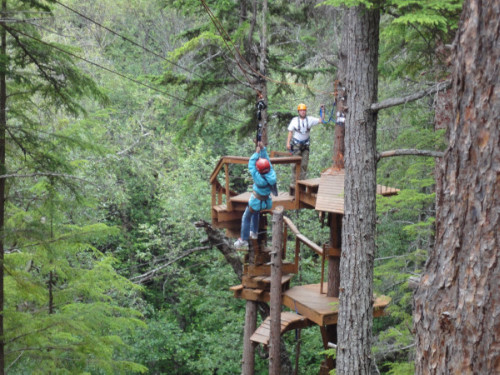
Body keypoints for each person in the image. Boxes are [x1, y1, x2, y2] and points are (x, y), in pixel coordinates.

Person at [234, 141, 277, 248]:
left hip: (257, 201)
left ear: (259, 170)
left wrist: (256, 153)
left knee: (246, 216)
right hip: (267, 202)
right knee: (256, 212)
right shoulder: (271, 174)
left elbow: (251, 165)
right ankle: (254, 232)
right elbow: (268, 162)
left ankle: (243, 239)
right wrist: (263, 150)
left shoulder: (257, 177)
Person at [286, 103, 325, 192]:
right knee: (294, 166)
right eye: (301, 111)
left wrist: (322, 111)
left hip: (305, 146)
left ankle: (301, 186)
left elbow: (321, 120)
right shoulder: (295, 120)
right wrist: (288, 143)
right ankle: (293, 187)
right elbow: (290, 132)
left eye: (304, 110)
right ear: (298, 111)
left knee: (304, 165)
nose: (303, 112)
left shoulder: (310, 120)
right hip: (296, 145)